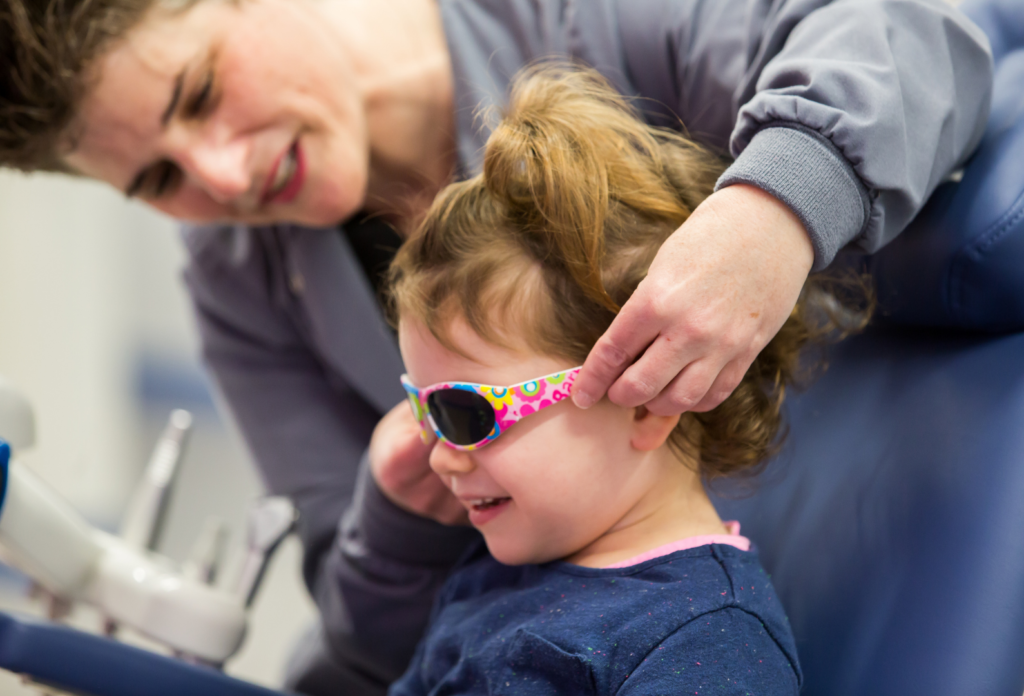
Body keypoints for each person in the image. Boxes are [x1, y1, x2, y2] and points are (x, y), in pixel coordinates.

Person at [0, 0, 992, 692]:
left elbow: (907, 33)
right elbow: (363, 652)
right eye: (156, 181)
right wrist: (390, 526)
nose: (222, 179)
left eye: (201, 90)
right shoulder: (241, 281)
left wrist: (778, 212)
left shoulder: (698, 638)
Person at [386, 66, 868, 695]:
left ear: (647, 399)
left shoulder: (704, 642)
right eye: (424, 409)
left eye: (464, 414)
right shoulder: (497, 568)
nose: (441, 458)